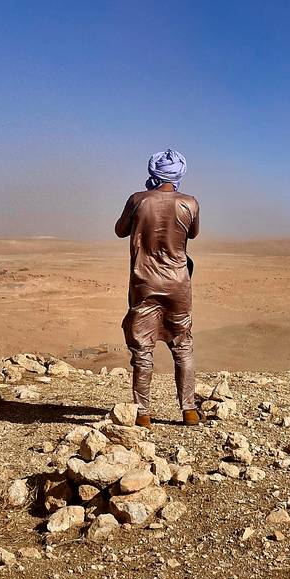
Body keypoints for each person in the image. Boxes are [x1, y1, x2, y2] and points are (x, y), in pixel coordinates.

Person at [115, 149, 200, 430]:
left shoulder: (138, 200)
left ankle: (142, 413)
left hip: (145, 281)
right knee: (183, 345)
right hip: (178, 281)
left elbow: (120, 230)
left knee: (142, 348)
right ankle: (188, 410)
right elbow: (193, 233)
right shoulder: (190, 203)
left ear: (152, 172)